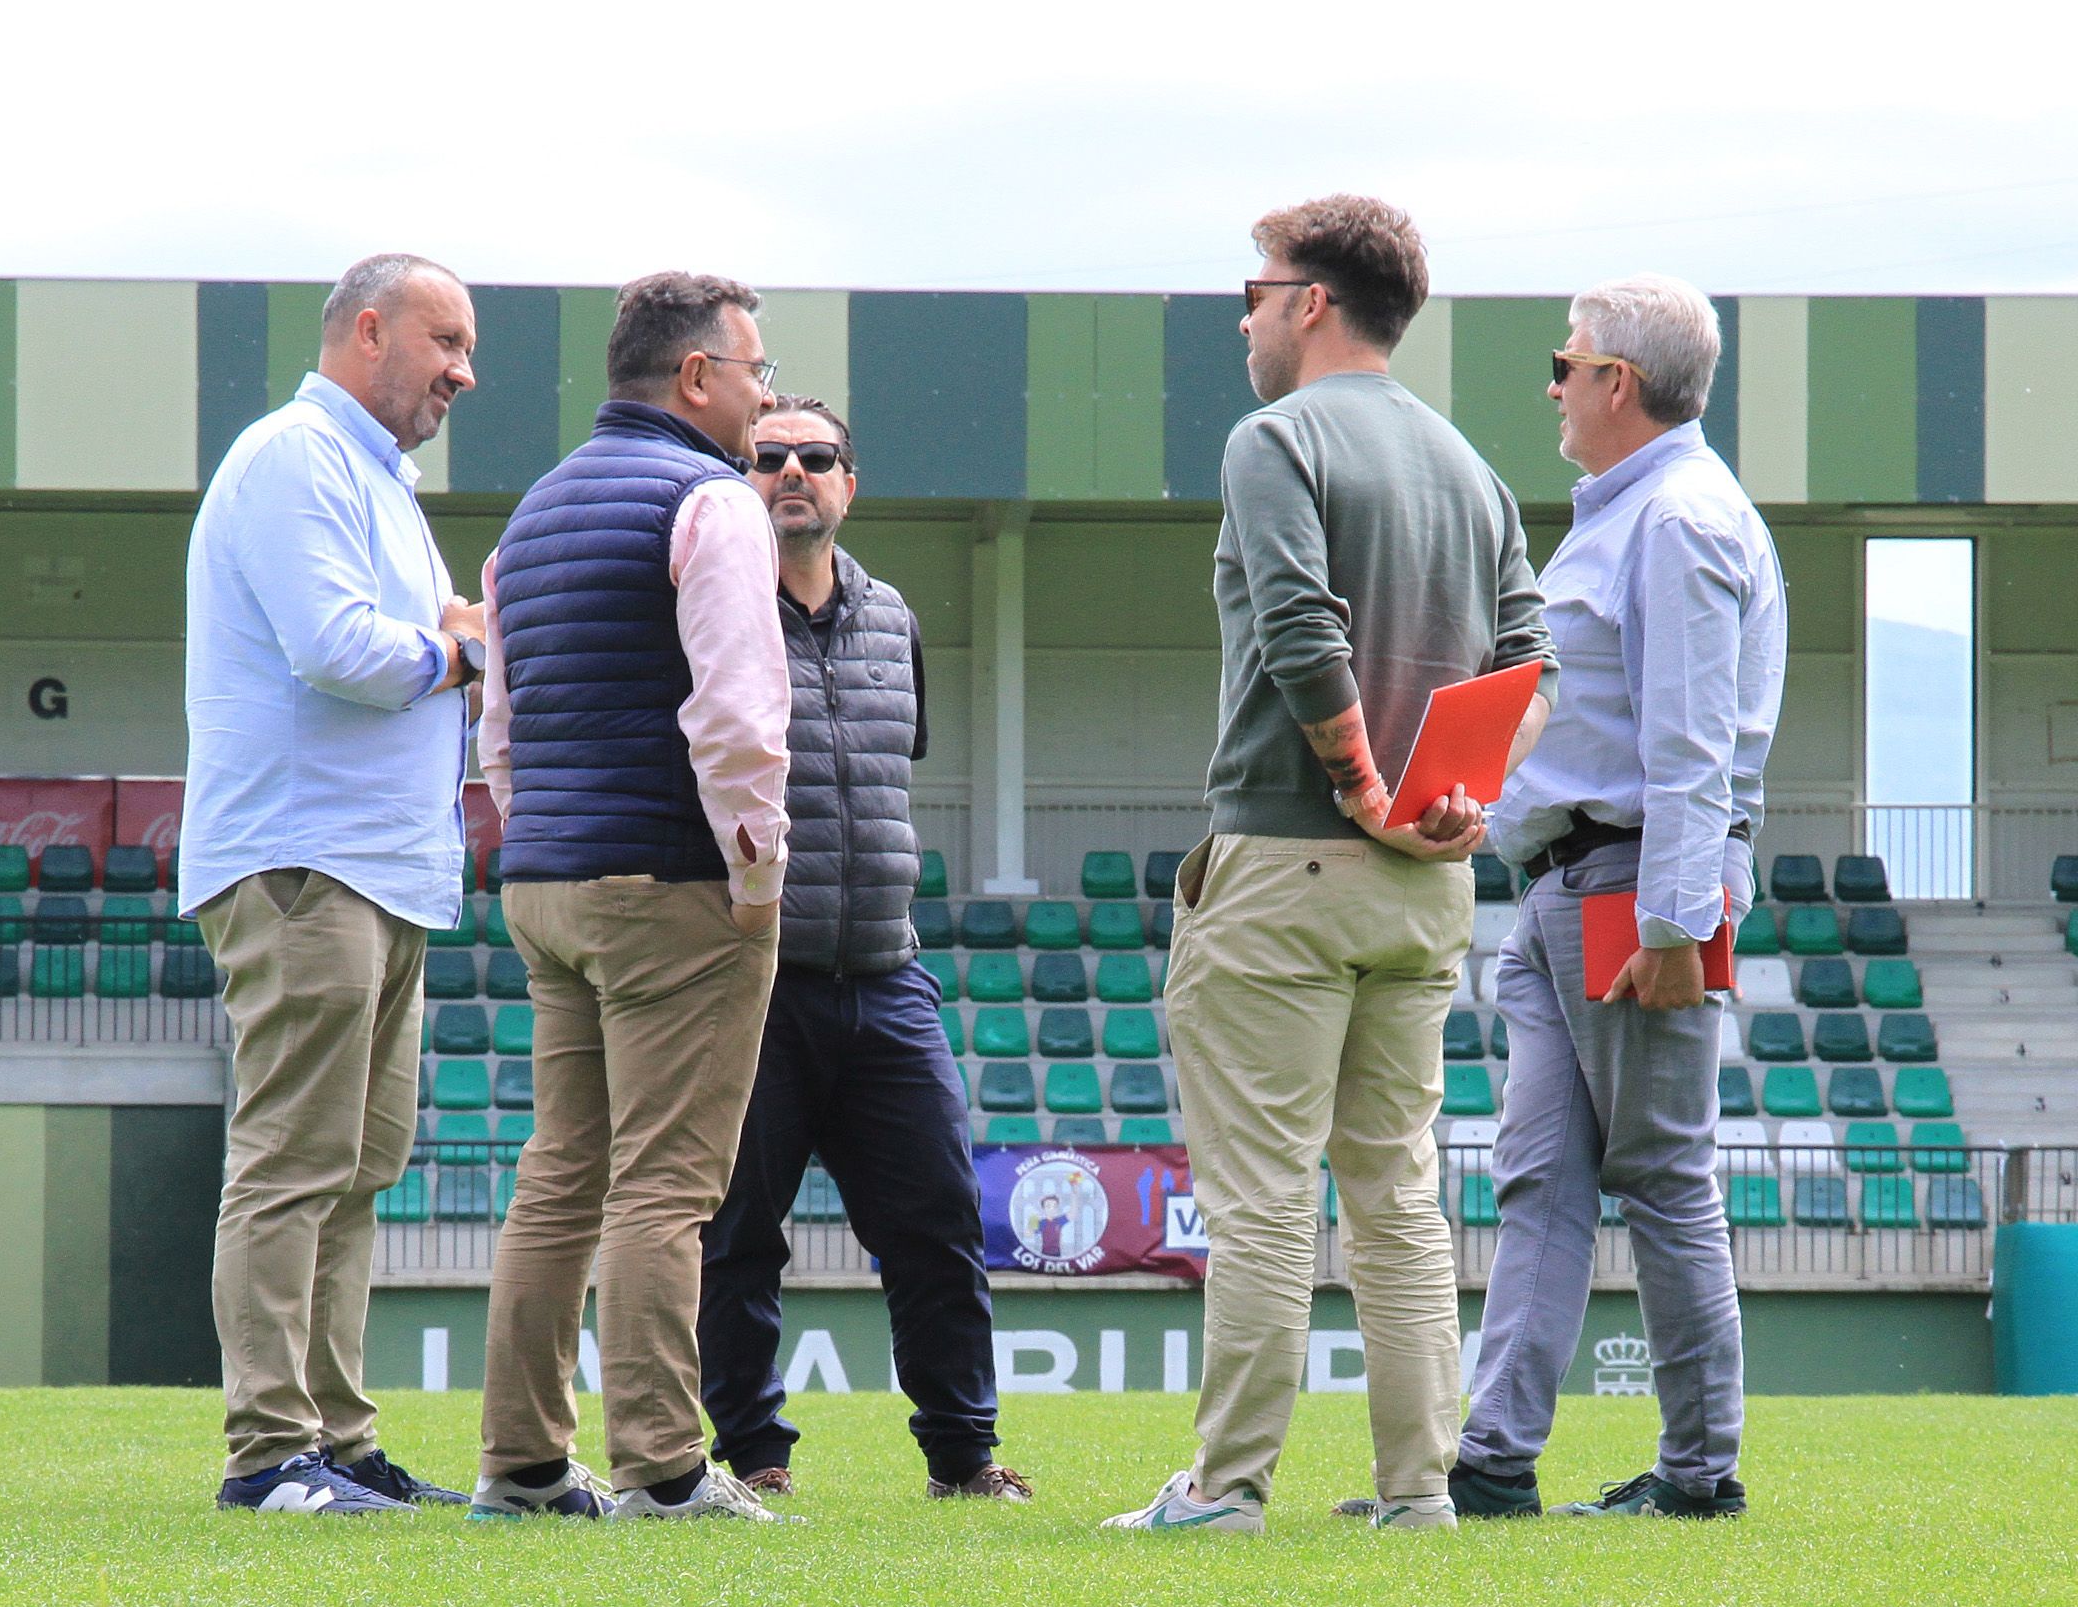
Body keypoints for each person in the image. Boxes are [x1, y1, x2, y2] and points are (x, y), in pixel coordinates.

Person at [1107, 196, 1553, 1535]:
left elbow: (1303, 626)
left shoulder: (1274, 437)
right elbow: (1529, 661)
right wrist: (1458, 797)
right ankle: (1419, 1489)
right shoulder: (1467, 466)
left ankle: (1225, 1484)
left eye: (1253, 290)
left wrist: (1362, 789)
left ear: (1308, 302)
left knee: (1255, 1194)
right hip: (1428, 882)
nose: (1241, 315)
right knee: (1395, 1193)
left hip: (1290, 858)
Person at [1459, 274, 1785, 1518]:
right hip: (1561, 883)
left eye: (1565, 361)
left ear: (1619, 384)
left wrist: (1670, 922)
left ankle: (1702, 1475)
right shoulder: (1626, 513)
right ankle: (1494, 1463)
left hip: (1631, 882)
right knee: (1542, 1179)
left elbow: (1694, 746)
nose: (1551, 383)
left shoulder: (1681, 520)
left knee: (1660, 1177)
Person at [471, 274, 795, 1521]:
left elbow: (501, 726)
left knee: (561, 1173)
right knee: (666, 1185)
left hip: (546, 879)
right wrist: (756, 878)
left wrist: (535, 834)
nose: (766, 395)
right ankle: (664, 1466)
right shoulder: (713, 500)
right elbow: (736, 713)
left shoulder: (534, 514)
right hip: (669, 883)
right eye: (756, 371)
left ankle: (526, 1461)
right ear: (697, 377)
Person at [179, 251, 485, 1515]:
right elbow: (335, 648)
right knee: (294, 1159)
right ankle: (270, 1452)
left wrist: (446, 647)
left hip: (382, 873)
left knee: (358, 1167)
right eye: (447, 342)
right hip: (306, 864)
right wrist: (457, 650)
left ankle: (340, 1438)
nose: (463, 372)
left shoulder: (375, 479)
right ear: (370, 331)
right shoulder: (295, 457)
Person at [696, 398, 1030, 1504]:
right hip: (758, 977)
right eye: (769, 456)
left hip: (889, 973)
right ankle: (755, 1457)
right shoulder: (714, 615)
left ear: (850, 482)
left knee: (939, 1223)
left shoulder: (895, 618)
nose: (793, 471)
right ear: (743, 481)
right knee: (739, 1235)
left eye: (817, 457)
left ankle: (964, 1457)